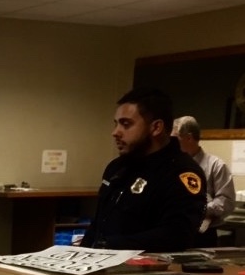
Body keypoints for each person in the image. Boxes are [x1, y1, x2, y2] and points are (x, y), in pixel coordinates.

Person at [80, 88, 207, 252]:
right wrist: (81, 253)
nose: (115, 132)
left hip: (146, 269)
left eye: (126, 124)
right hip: (99, 263)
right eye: (116, 124)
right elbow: (98, 223)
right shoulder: (117, 168)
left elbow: (177, 235)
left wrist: (110, 246)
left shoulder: (181, 172)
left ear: (156, 127)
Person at [172, 115, 235, 247]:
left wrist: (199, 208)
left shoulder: (216, 165)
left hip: (203, 235)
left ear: (188, 138)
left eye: (175, 138)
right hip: (174, 231)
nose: (171, 143)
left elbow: (227, 201)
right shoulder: (172, 164)